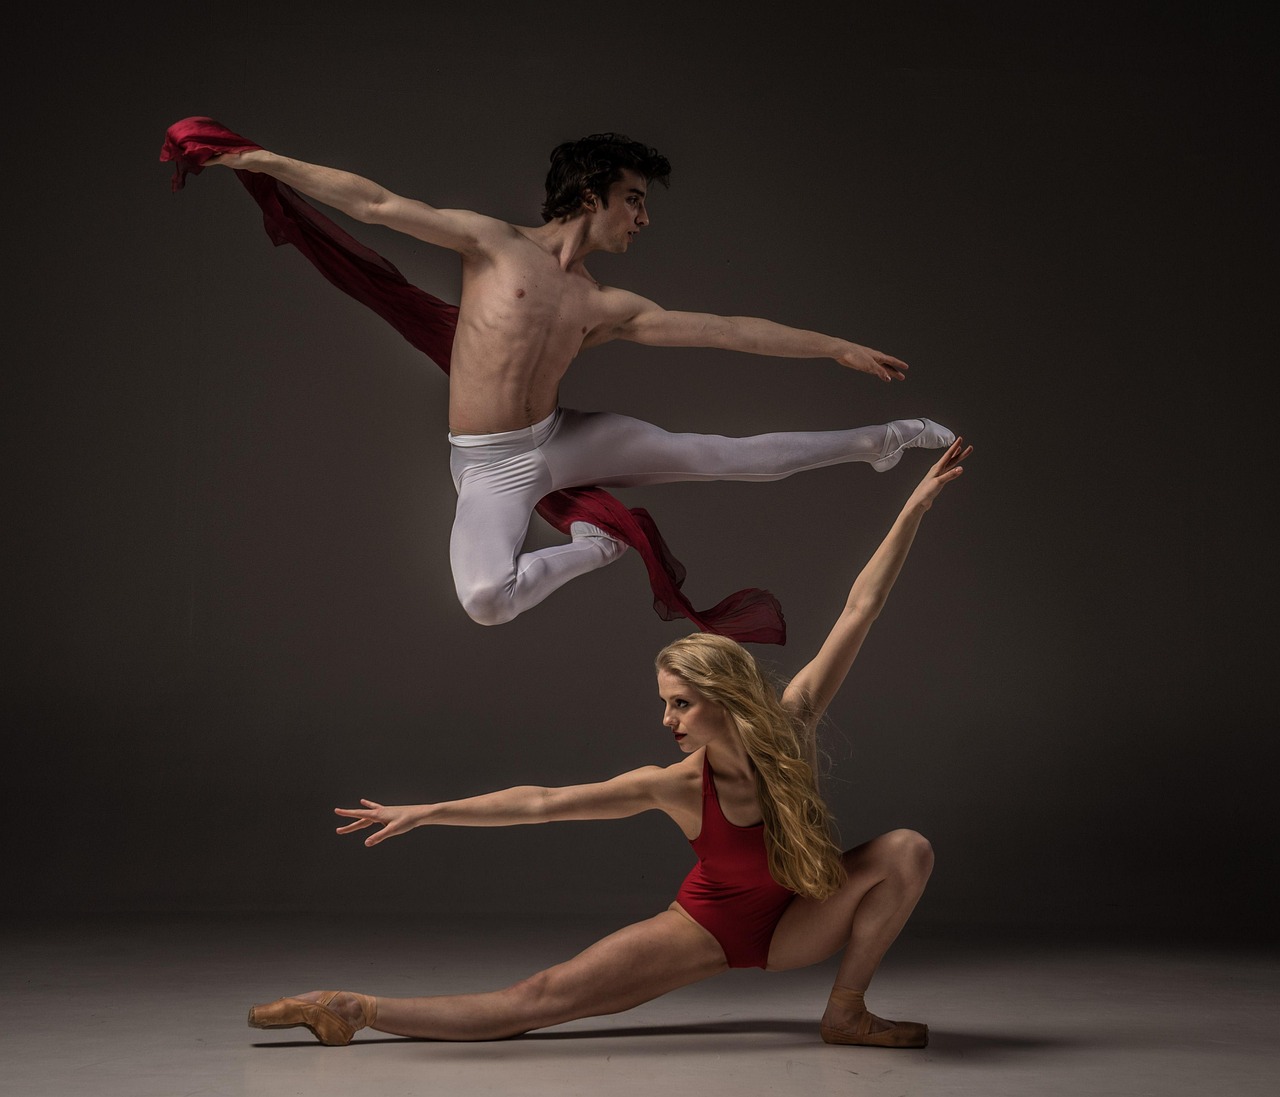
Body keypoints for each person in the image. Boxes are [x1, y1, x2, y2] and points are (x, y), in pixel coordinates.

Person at [247, 437, 971, 1049]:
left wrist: (913, 505)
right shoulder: (680, 783)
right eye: (665, 705)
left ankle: (845, 1010)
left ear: (724, 701)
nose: (668, 722)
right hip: (709, 930)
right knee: (541, 997)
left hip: (800, 925)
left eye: (680, 704)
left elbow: (861, 606)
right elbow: (542, 803)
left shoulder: (794, 719)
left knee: (907, 848)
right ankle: (356, 1008)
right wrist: (431, 810)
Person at [191, 127, 954, 629]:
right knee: (486, 599)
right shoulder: (492, 245)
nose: (642, 219)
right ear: (592, 195)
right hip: (489, 465)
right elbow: (378, 203)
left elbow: (729, 332)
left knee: (722, 454)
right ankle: (597, 547)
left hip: (562, 441)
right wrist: (258, 160)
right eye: (634, 200)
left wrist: (834, 347)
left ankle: (883, 440)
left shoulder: (607, 303)